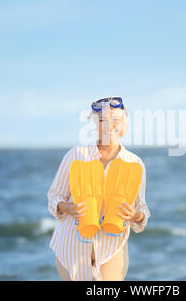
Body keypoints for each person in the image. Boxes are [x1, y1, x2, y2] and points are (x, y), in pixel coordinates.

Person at [47, 97, 150, 281]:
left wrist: (135, 215)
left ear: (124, 123)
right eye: (103, 120)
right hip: (71, 248)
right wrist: (68, 208)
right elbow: (54, 196)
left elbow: (142, 214)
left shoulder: (135, 164)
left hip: (112, 249)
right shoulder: (76, 156)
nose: (109, 125)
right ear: (96, 124)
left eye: (115, 120)